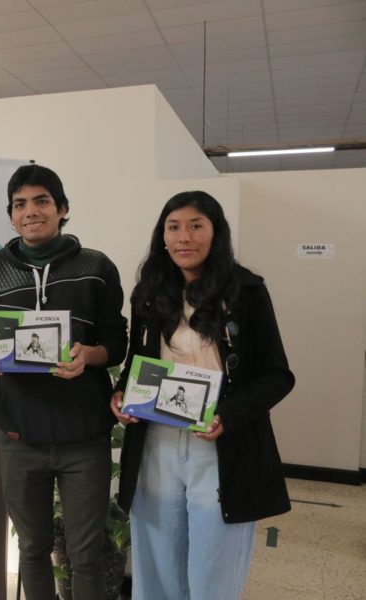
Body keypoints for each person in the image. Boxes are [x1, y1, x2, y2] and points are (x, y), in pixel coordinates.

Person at [110, 191, 294, 600]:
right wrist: (122, 393)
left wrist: (227, 416)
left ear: (215, 233)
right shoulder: (149, 293)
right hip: (156, 441)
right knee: (156, 568)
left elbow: (278, 375)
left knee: (213, 569)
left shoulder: (246, 292)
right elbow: (136, 362)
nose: (184, 237)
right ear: (163, 236)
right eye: (173, 227)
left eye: (196, 226)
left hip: (220, 446)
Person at [0, 164, 128, 600]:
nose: (30, 211)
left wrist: (87, 356)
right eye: (20, 204)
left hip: (84, 436)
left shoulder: (96, 267)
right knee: (33, 549)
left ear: (62, 209)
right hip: (19, 436)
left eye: (41, 201)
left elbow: (116, 341)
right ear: (11, 214)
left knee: (86, 552)